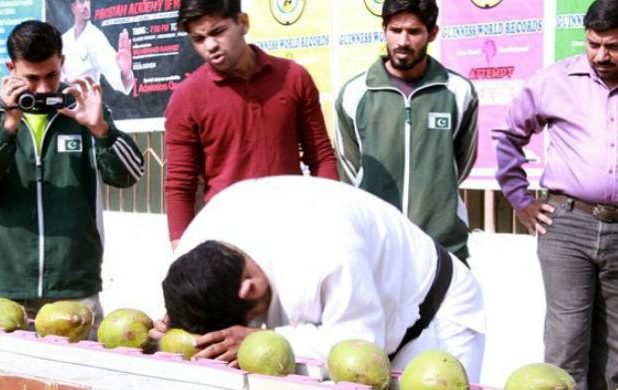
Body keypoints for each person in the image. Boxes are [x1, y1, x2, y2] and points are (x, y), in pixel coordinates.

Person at [154, 176, 485, 381]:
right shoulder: (200, 239)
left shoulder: (329, 252)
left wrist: (254, 342)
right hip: (357, 310)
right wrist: (177, 325)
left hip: (432, 316)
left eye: (249, 321)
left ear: (251, 287)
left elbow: (360, 345)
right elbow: (193, 299)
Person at [0, 20, 145, 322]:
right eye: (31, 78)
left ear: (62, 63)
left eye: (51, 75)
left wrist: (101, 130)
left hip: (75, 287)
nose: (42, 88)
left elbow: (130, 174)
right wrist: (7, 128)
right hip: (5, 287)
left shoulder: (85, 109)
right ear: (10, 68)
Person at [493, 1, 618, 387]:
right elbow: (508, 136)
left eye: (613, 45)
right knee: (567, 346)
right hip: (567, 226)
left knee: (616, 350)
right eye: (593, 43)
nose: (601, 55)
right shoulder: (554, 80)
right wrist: (520, 200)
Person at [164, 0, 339, 249]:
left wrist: (333, 218)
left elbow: (320, 155)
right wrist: (181, 250)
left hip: (294, 231)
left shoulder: (293, 77)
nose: (210, 46)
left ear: (243, 23)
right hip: (227, 239)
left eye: (217, 32)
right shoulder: (186, 97)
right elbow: (180, 183)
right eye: (198, 39)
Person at [334, 0, 478, 263]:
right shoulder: (355, 94)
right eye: (395, 30)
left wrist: (436, 195)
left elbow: (460, 163)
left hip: (443, 246)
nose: (403, 41)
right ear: (384, 30)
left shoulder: (458, 91)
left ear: (432, 33)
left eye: (413, 32)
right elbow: (351, 170)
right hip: (378, 246)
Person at [61, 0, 134, 95]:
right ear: (73, 7)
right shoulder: (64, 39)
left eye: (88, 2)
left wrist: (125, 73)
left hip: (88, 101)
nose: (86, 6)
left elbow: (110, 67)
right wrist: (64, 79)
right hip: (64, 101)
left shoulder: (96, 37)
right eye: (82, 2)